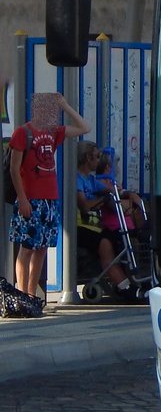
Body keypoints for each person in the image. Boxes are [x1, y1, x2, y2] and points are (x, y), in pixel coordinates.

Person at [8, 92, 91, 298]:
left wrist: (65, 105)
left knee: (42, 247)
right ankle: (22, 293)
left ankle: (32, 293)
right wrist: (23, 198)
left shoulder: (54, 132)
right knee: (26, 246)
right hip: (30, 197)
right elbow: (14, 168)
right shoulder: (23, 132)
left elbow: (84, 128)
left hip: (50, 198)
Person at [75, 141, 133, 296]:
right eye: (97, 156)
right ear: (88, 158)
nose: (99, 160)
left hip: (94, 225)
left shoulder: (91, 179)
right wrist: (103, 199)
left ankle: (128, 279)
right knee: (104, 243)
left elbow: (112, 191)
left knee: (116, 236)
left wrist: (128, 194)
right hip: (79, 226)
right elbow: (85, 206)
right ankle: (124, 286)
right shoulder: (76, 179)